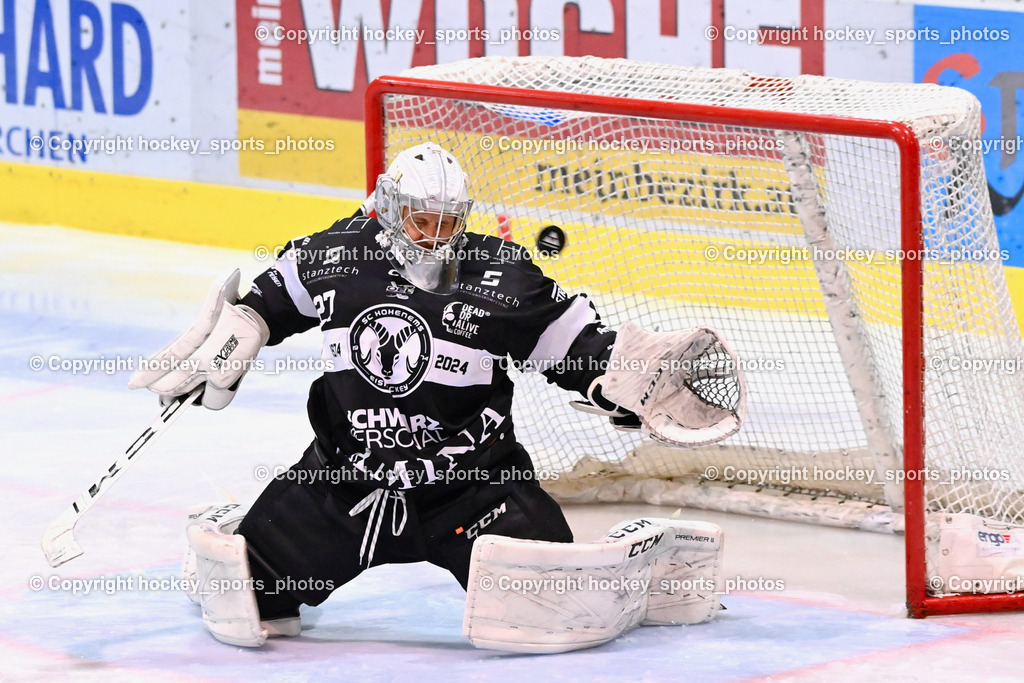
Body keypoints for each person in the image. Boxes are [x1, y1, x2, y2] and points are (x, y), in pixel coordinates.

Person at [131, 142, 668, 647]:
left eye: (448, 223)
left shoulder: (499, 274)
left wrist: (624, 379)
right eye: (422, 220)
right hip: (342, 487)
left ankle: (653, 560)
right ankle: (237, 532)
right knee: (245, 602)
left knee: (561, 616)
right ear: (390, 208)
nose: (435, 236)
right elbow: (269, 303)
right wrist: (243, 325)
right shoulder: (336, 253)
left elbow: (575, 346)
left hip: (478, 491)